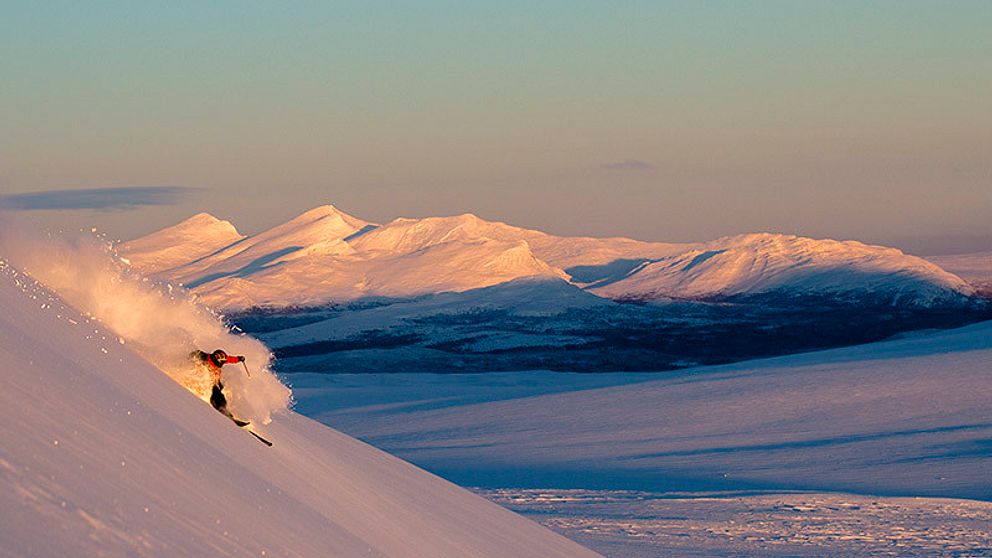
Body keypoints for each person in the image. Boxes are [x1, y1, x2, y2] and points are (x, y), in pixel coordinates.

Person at [191, 349, 247, 426]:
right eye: (220, 362)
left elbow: (229, 359)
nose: (221, 364)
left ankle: (224, 408)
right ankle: (219, 406)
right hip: (208, 380)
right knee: (216, 393)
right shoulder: (206, 360)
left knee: (220, 390)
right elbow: (195, 356)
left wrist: (239, 359)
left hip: (216, 381)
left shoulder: (220, 359)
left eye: (223, 362)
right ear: (215, 359)